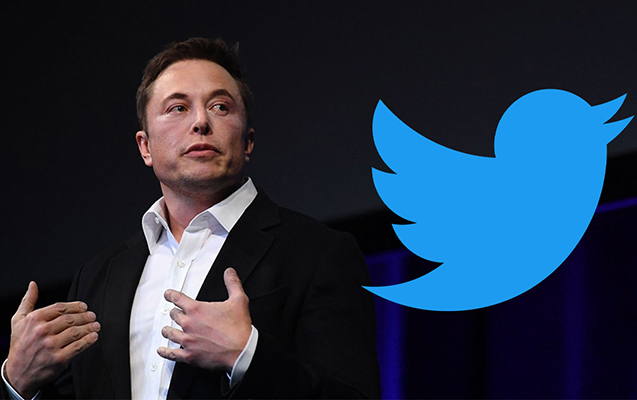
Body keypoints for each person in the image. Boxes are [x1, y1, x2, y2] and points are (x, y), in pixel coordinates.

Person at [1, 37, 380, 399]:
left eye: (220, 107)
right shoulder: (97, 276)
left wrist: (247, 356)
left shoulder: (318, 253)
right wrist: (20, 383)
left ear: (247, 141)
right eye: (178, 108)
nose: (201, 122)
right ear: (145, 147)